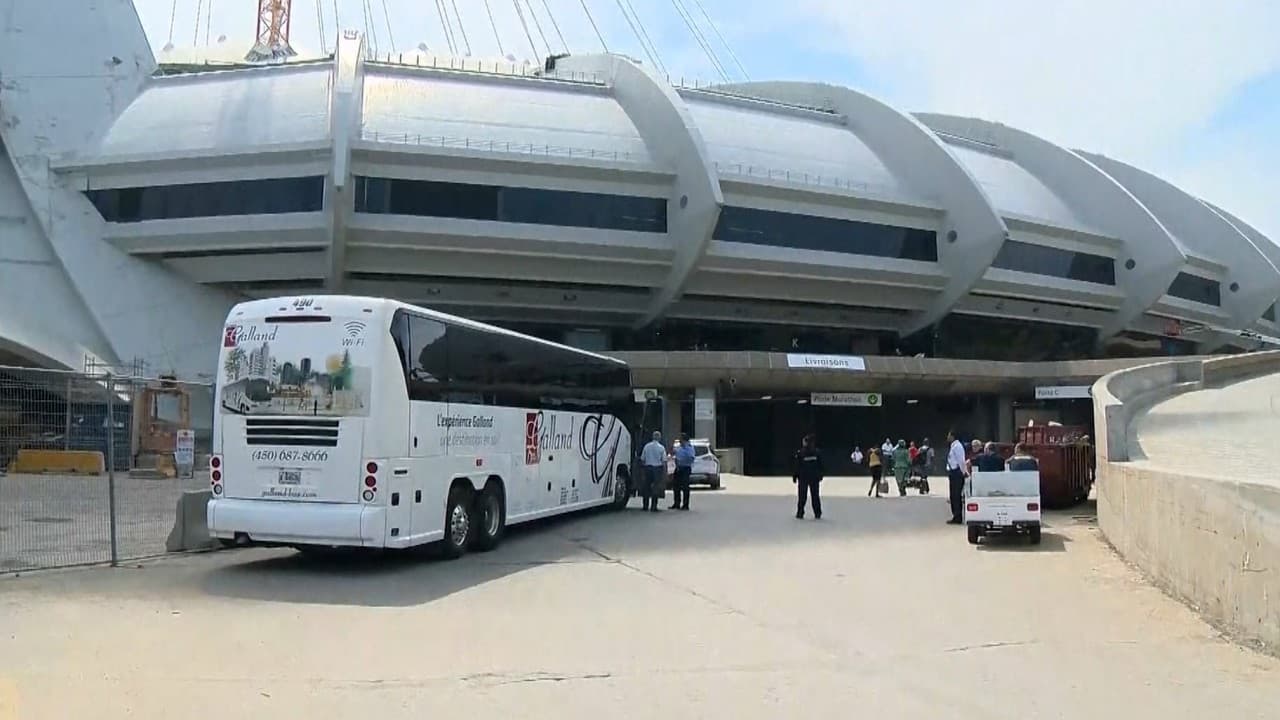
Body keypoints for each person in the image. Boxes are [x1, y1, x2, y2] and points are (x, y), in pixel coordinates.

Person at [793, 434, 824, 519]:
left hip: (803, 478)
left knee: (802, 496)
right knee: (815, 496)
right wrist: (821, 475)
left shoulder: (801, 453)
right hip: (814, 478)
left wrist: (795, 476)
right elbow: (821, 465)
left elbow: (797, 466)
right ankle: (817, 513)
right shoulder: (817, 452)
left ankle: (800, 512)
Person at [639, 431, 667, 512]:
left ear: (652, 437)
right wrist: (664, 472)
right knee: (655, 488)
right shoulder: (661, 448)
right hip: (657, 468)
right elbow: (664, 461)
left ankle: (645, 506)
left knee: (646, 487)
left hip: (648, 468)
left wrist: (643, 469)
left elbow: (642, 459)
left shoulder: (647, 446)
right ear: (659, 438)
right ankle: (654, 506)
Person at [945, 430, 967, 525]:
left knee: (956, 495)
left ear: (953, 436)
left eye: (949, 435)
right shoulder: (953, 446)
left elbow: (961, 461)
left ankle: (958, 517)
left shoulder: (958, 447)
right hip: (953, 472)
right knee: (953, 495)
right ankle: (955, 515)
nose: (947, 437)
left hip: (957, 473)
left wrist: (964, 472)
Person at [670, 434, 695, 510]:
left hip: (685, 468)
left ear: (684, 440)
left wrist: (682, 460)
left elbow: (691, 458)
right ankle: (676, 503)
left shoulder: (689, 448)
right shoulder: (680, 448)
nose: (680, 441)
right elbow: (676, 455)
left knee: (685, 487)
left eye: (681, 439)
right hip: (678, 468)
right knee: (676, 486)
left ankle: (685, 505)